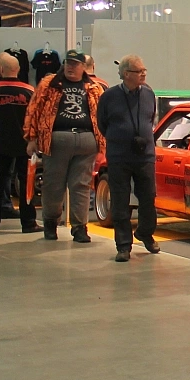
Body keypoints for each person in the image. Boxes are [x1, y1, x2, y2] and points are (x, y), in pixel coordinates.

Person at [24, 49, 105, 243]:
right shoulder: (49, 84)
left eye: (75, 64)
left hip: (86, 141)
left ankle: (79, 227)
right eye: (68, 63)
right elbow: (34, 109)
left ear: (83, 67)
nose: (71, 67)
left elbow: (102, 117)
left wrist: (102, 145)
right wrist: (31, 138)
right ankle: (51, 223)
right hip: (57, 139)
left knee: (81, 186)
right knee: (53, 185)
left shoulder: (94, 88)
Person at [98, 54, 159, 262]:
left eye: (144, 70)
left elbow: (150, 119)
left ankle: (145, 233)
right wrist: (119, 138)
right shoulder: (109, 97)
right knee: (120, 200)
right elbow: (102, 124)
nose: (143, 74)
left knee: (148, 197)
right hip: (119, 156)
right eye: (139, 71)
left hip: (145, 155)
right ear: (126, 74)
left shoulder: (149, 94)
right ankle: (123, 245)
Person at [0, 54, 42, 233]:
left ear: (0, 69)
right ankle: (28, 222)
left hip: (0, 143)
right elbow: (36, 118)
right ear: (18, 69)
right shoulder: (29, 91)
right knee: (26, 183)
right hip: (25, 144)